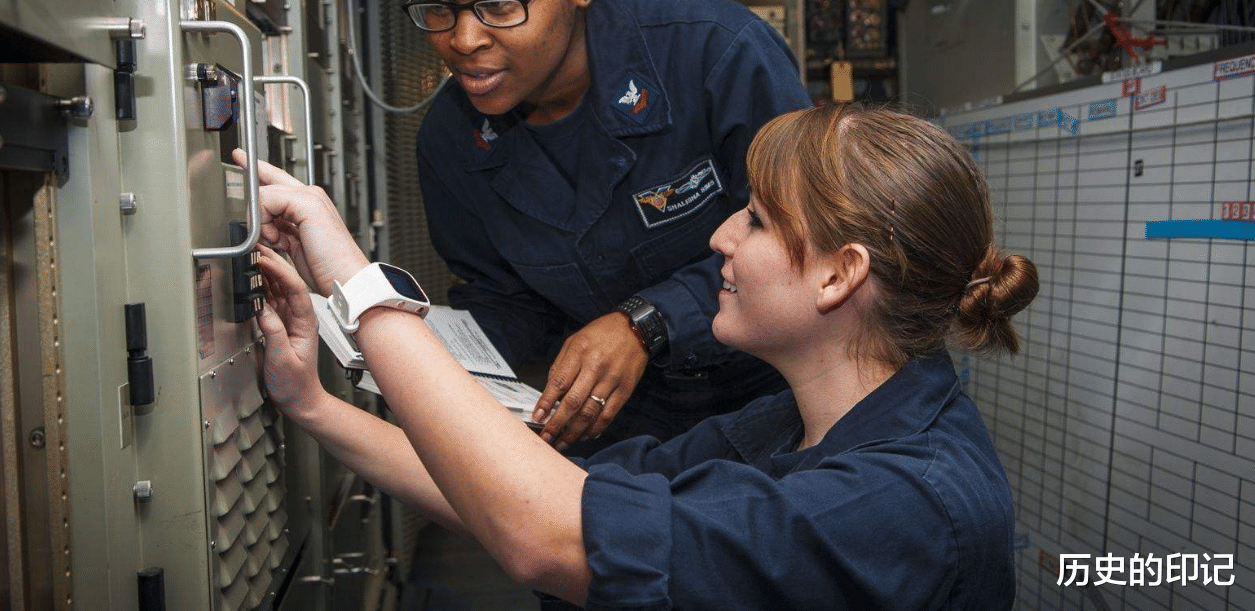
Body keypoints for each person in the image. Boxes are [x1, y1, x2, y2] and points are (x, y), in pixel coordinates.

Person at [240, 101, 1039, 610]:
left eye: (757, 221)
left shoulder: (899, 503)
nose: (721, 236)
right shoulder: (792, 423)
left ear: (840, 274)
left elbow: (547, 535)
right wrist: (314, 404)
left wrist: (350, 274)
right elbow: (549, 494)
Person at [406, 0, 812, 452]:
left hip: (781, 396)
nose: (463, 40)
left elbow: (806, 237)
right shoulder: (449, 141)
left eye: (498, 4)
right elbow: (505, 302)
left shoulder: (719, 55)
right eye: (439, 6)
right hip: (623, 428)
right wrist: (421, 357)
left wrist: (647, 323)